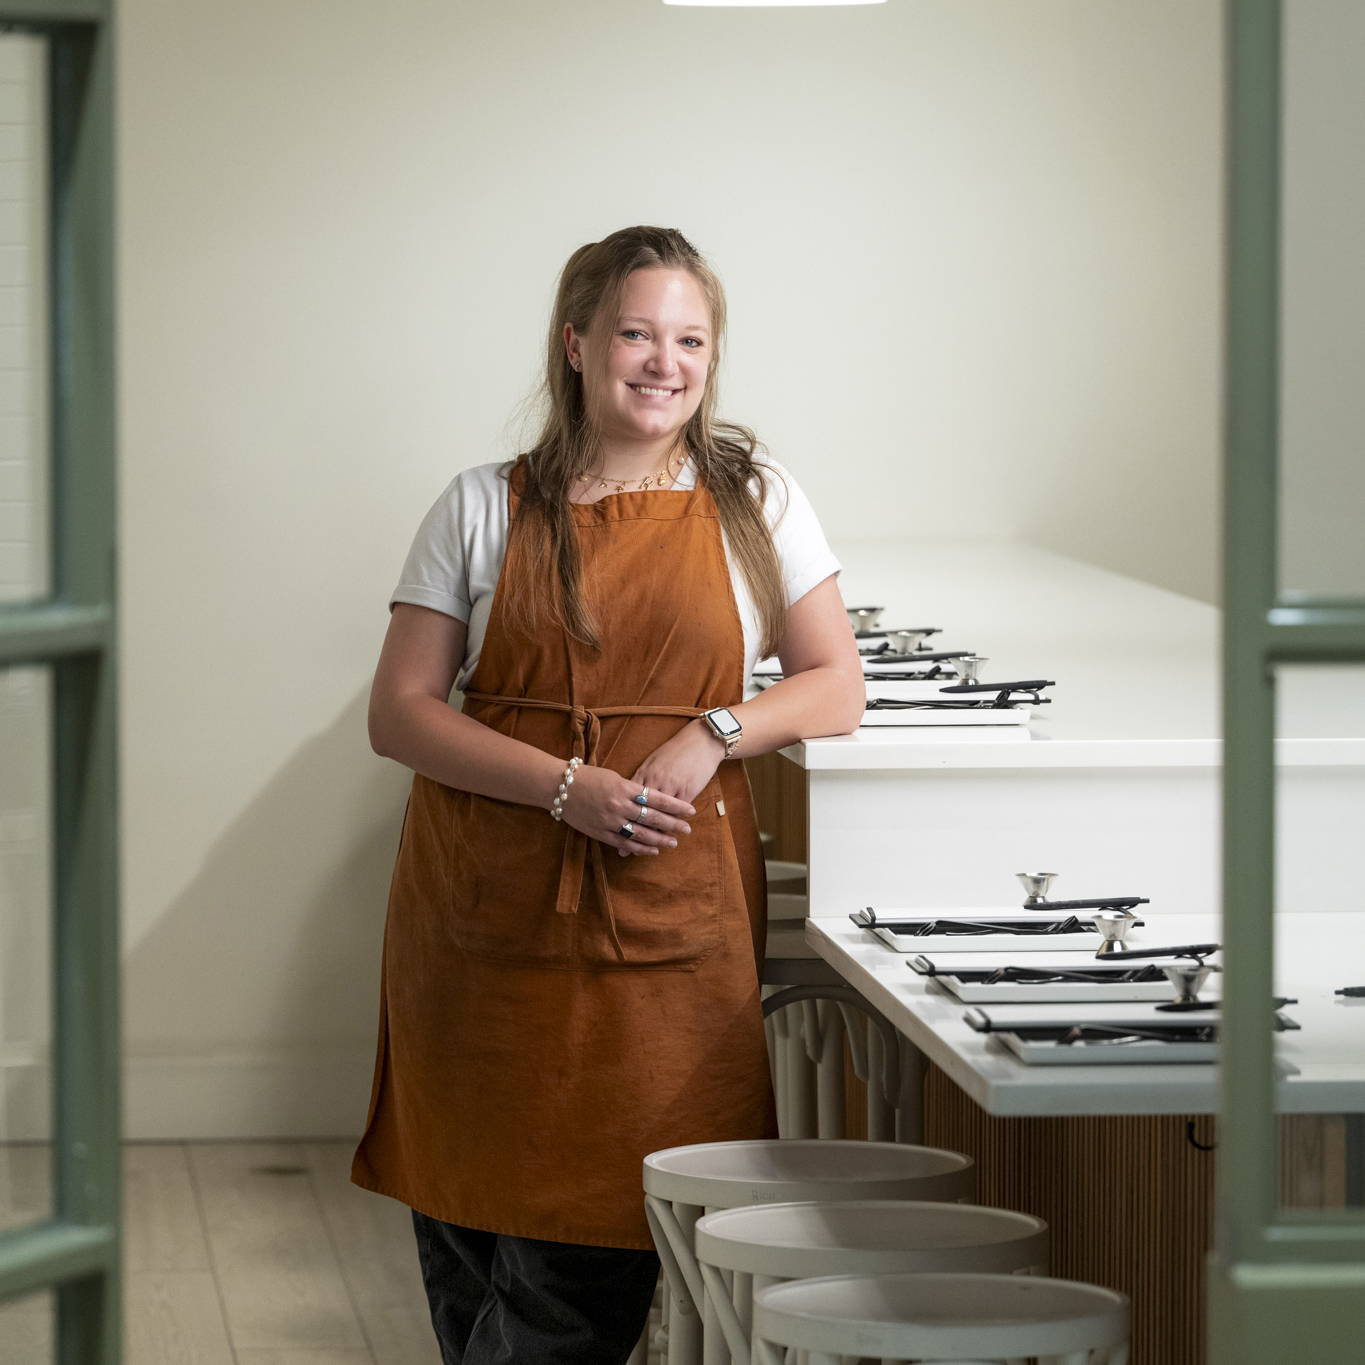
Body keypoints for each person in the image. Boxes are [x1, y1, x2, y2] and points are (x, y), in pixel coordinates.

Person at [350, 225, 865, 1364]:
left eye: (690, 338)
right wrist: (565, 786)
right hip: (481, 919)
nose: (663, 361)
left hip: (667, 925)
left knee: (591, 1257)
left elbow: (836, 684)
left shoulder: (757, 500)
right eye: (636, 332)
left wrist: (714, 731)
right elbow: (401, 712)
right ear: (577, 344)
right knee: (472, 1232)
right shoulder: (482, 504)